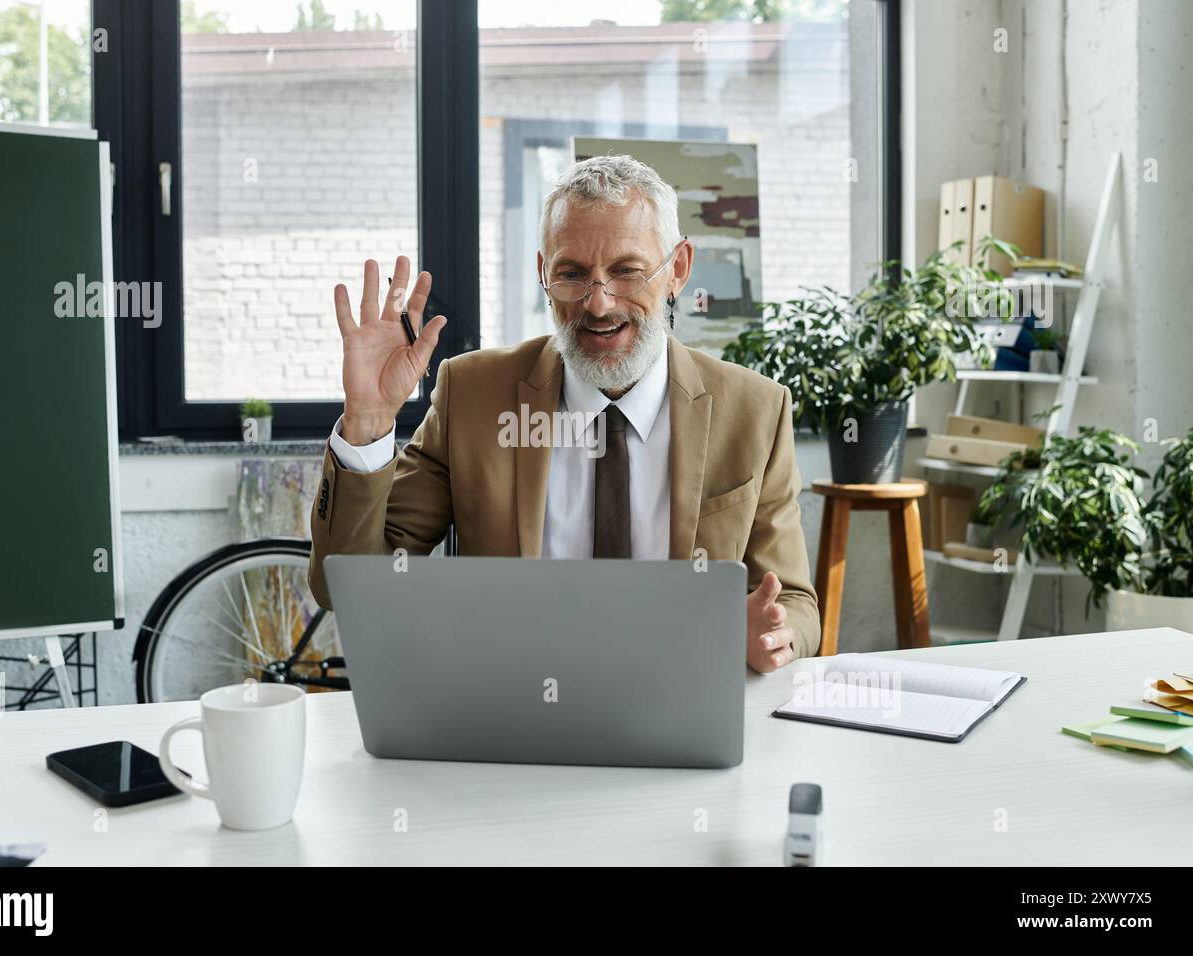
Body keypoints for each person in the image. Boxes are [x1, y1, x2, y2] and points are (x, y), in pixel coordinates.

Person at [307, 154, 819, 672]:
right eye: (572, 274)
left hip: (681, 701)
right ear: (542, 274)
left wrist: (778, 636)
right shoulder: (471, 394)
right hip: (518, 706)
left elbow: (796, 603)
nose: (598, 304)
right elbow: (346, 587)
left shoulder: (756, 410)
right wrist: (368, 423)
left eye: (627, 271)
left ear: (678, 270)